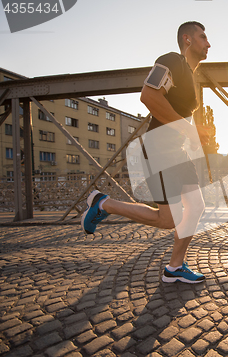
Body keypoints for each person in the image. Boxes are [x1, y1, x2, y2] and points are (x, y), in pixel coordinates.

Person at [81, 21, 211, 284]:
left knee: (196, 206)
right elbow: (148, 96)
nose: (208, 43)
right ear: (187, 39)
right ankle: (104, 204)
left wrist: (193, 135)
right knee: (168, 219)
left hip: (175, 149)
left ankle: (175, 268)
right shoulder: (172, 61)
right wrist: (185, 128)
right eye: (202, 37)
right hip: (159, 147)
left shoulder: (191, 76)